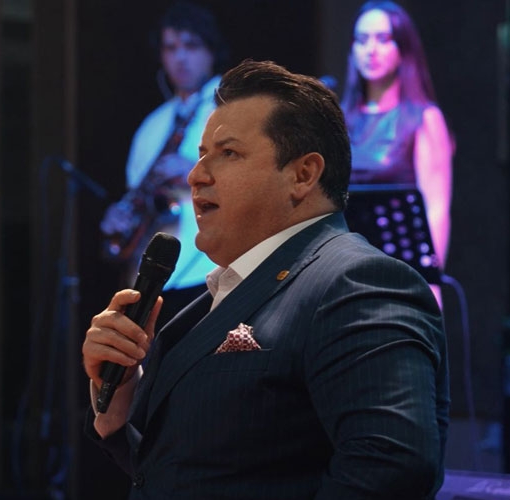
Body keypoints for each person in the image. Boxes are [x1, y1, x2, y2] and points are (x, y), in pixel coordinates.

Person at [83, 59, 449, 499]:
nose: (196, 175)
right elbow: (196, 472)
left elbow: (394, 469)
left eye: (228, 153)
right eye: (201, 155)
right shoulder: (224, 294)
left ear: (303, 175)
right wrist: (119, 407)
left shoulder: (359, 282)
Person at [100, 1, 228, 326]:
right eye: (170, 48)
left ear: (211, 51)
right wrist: (122, 214)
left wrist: (192, 170)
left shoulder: (230, 108)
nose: (180, 57)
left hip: (208, 270)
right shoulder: (152, 125)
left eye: (191, 46)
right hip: (153, 279)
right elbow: (138, 194)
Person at [342, 0, 453, 307]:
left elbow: (436, 208)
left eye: (382, 39)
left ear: (402, 48)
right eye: (362, 40)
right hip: (347, 274)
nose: (371, 50)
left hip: (402, 275)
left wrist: (429, 281)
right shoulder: (341, 119)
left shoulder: (423, 119)